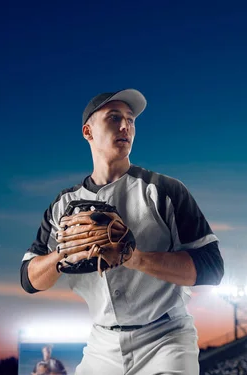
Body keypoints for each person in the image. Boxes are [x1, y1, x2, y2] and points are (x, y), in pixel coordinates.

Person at [20, 88, 225, 375]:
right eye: (114, 117)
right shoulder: (62, 205)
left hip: (165, 337)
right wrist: (63, 254)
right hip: (102, 343)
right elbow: (28, 279)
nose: (125, 126)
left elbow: (211, 267)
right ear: (87, 131)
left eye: (130, 119)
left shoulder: (163, 190)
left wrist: (133, 256)